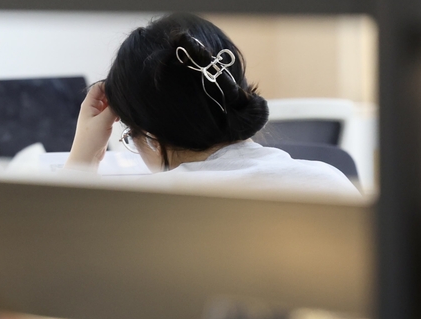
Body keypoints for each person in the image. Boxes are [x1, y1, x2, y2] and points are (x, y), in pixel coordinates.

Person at [65, 13, 361, 196]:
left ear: (150, 135)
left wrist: (83, 159)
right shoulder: (330, 183)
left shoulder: (147, 206)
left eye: (131, 136)